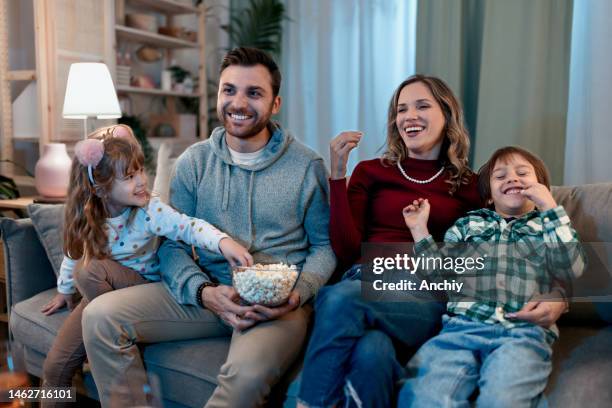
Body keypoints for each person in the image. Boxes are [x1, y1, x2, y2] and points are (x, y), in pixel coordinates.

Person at [81, 47, 336, 408]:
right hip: (205, 294)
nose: (238, 102)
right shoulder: (194, 162)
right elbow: (172, 245)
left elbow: (324, 246)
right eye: (229, 90)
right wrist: (203, 292)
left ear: (275, 103)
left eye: (254, 93)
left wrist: (297, 295)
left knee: (245, 379)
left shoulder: (306, 166)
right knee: (99, 318)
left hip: (273, 305)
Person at [297, 75, 569, 408]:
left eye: (422, 106)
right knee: (372, 353)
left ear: (447, 115)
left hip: (424, 292)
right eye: (401, 109)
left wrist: (558, 295)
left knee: (339, 299)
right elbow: (347, 250)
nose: (409, 116)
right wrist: (338, 174)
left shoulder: (470, 185)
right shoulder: (370, 172)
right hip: (365, 281)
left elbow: (513, 239)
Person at [40, 124, 251, 408]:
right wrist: (64, 291)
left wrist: (223, 242)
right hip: (106, 295)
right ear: (101, 188)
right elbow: (72, 253)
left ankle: (110, 335)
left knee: (90, 271)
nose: (141, 180)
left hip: (149, 289)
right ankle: (102, 337)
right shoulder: (89, 217)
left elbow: (189, 228)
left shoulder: (151, 211)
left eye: (140, 170)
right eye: (129, 176)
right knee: (54, 369)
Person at [399, 146, 585, 407]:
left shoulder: (549, 225)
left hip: (522, 333)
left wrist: (550, 207)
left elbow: (572, 266)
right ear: (487, 196)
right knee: (423, 396)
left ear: (541, 188)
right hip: (460, 329)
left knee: (503, 399)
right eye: (501, 176)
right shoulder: (468, 225)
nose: (512, 178)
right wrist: (419, 230)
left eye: (522, 173)